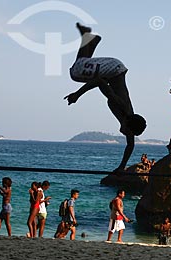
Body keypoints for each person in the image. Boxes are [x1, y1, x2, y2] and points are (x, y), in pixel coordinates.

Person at [64, 23, 146, 172]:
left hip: (115, 71)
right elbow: (99, 81)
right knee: (76, 71)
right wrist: (77, 95)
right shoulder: (121, 106)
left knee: (82, 66)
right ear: (128, 123)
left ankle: (90, 40)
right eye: (128, 132)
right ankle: (87, 37)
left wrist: (121, 167)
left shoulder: (129, 121)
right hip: (113, 69)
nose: (126, 134)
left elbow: (130, 146)